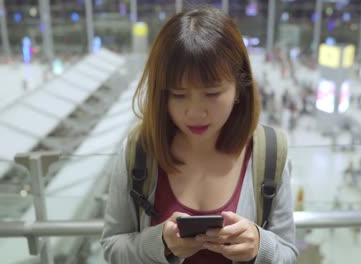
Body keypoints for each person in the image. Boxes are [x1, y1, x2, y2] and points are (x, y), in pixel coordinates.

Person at [101, 7, 298, 264]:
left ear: (239, 88)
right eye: (179, 95)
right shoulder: (138, 151)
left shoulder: (270, 154)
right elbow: (112, 246)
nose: (195, 112)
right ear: (162, 94)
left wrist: (260, 247)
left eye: (212, 93)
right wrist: (160, 243)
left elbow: (288, 253)